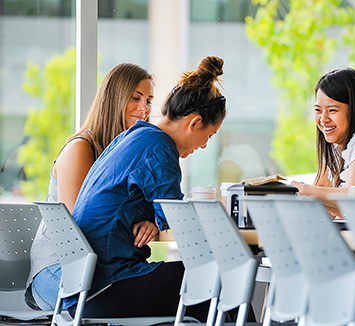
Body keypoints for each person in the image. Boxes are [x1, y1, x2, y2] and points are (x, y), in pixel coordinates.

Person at [32, 56, 227, 320]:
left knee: (206, 280)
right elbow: (181, 224)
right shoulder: (159, 147)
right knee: (220, 276)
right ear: (193, 123)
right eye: (210, 136)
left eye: (148, 100)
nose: (204, 145)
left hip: (88, 283)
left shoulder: (132, 136)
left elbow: (148, 210)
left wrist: (155, 221)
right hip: (102, 285)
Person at [26, 63, 157, 311]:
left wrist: (152, 221)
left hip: (103, 269)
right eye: (135, 98)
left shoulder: (126, 153)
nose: (145, 108)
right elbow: (85, 227)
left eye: (149, 100)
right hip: (59, 271)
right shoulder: (81, 149)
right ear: (115, 99)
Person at [291, 68, 355, 214]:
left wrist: (308, 191)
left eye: (332, 110)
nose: (323, 119)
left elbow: (354, 208)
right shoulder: (335, 151)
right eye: (318, 110)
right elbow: (326, 210)